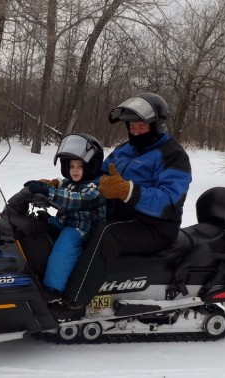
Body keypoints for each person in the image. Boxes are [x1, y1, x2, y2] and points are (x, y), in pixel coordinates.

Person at [49, 93, 192, 321]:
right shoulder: (125, 149)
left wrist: (128, 191)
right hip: (119, 216)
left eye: (141, 127)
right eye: (131, 127)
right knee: (70, 223)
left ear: (158, 125)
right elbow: (97, 176)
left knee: (107, 234)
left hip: (155, 226)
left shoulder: (173, 155)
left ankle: (74, 301)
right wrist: (61, 186)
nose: (135, 132)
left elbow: (169, 199)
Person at [24, 134, 107, 300]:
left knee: (65, 244)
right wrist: (43, 186)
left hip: (84, 228)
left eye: (80, 166)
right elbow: (62, 186)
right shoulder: (71, 182)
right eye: (71, 166)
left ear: (91, 166)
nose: (74, 170)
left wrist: (50, 192)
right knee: (41, 225)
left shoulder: (97, 187)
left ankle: (53, 288)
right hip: (67, 221)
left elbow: (76, 200)